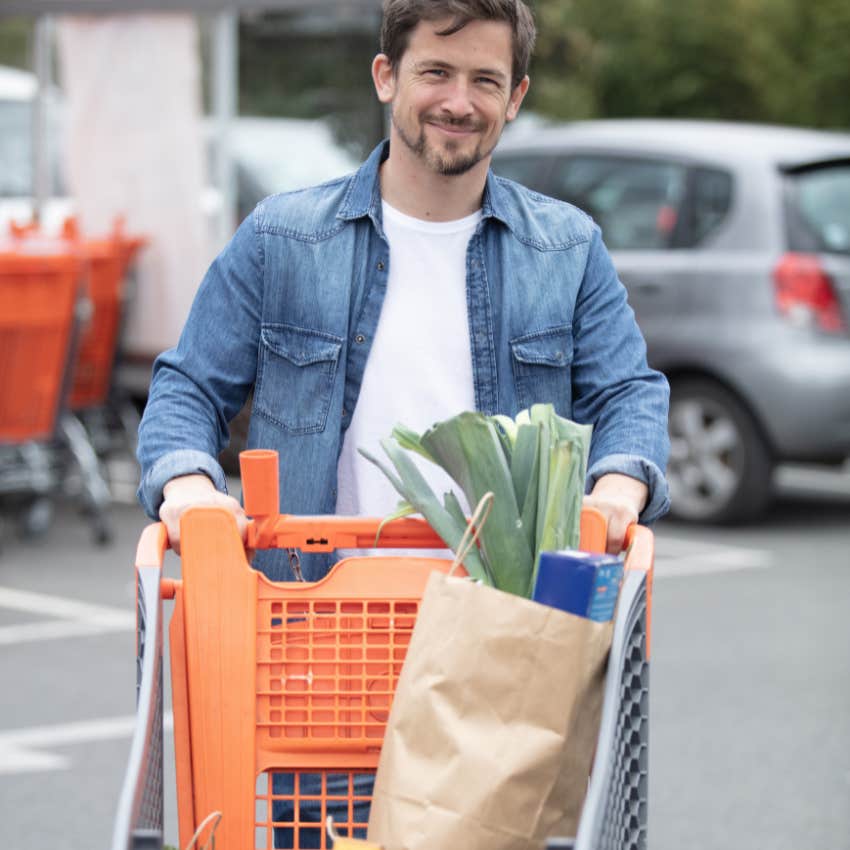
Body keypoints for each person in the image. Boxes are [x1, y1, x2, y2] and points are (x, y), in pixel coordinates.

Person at [138, 2, 669, 842]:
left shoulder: (567, 250)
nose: (459, 100)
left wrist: (614, 487)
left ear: (516, 96)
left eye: (485, 80)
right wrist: (191, 488)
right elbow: (185, 390)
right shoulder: (284, 238)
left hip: (499, 641)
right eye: (436, 72)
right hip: (313, 641)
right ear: (388, 77)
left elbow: (629, 395)